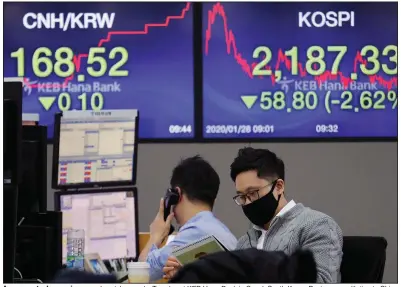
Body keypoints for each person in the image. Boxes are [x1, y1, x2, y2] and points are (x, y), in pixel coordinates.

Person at [163, 148, 343, 283]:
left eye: (253, 193)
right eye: (242, 196)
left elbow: (322, 283)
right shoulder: (245, 242)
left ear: (279, 186)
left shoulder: (316, 225)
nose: (248, 202)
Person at [138, 155, 237, 282]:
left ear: (177, 194)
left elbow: (141, 275)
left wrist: (155, 236)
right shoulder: (221, 231)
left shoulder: (195, 232)